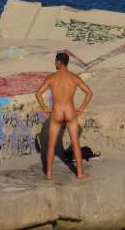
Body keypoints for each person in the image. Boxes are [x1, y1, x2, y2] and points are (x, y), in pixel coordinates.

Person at [35, 52, 93, 180]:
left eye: (56, 61)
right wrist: (81, 108)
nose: (55, 64)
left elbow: (38, 93)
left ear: (60, 62)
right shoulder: (74, 78)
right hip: (70, 112)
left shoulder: (51, 78)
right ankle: (80, 173)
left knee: (51, 145)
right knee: (76, 143)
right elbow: (89, 93)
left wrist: (44, 108)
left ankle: (49, 174)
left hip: (57, 113)